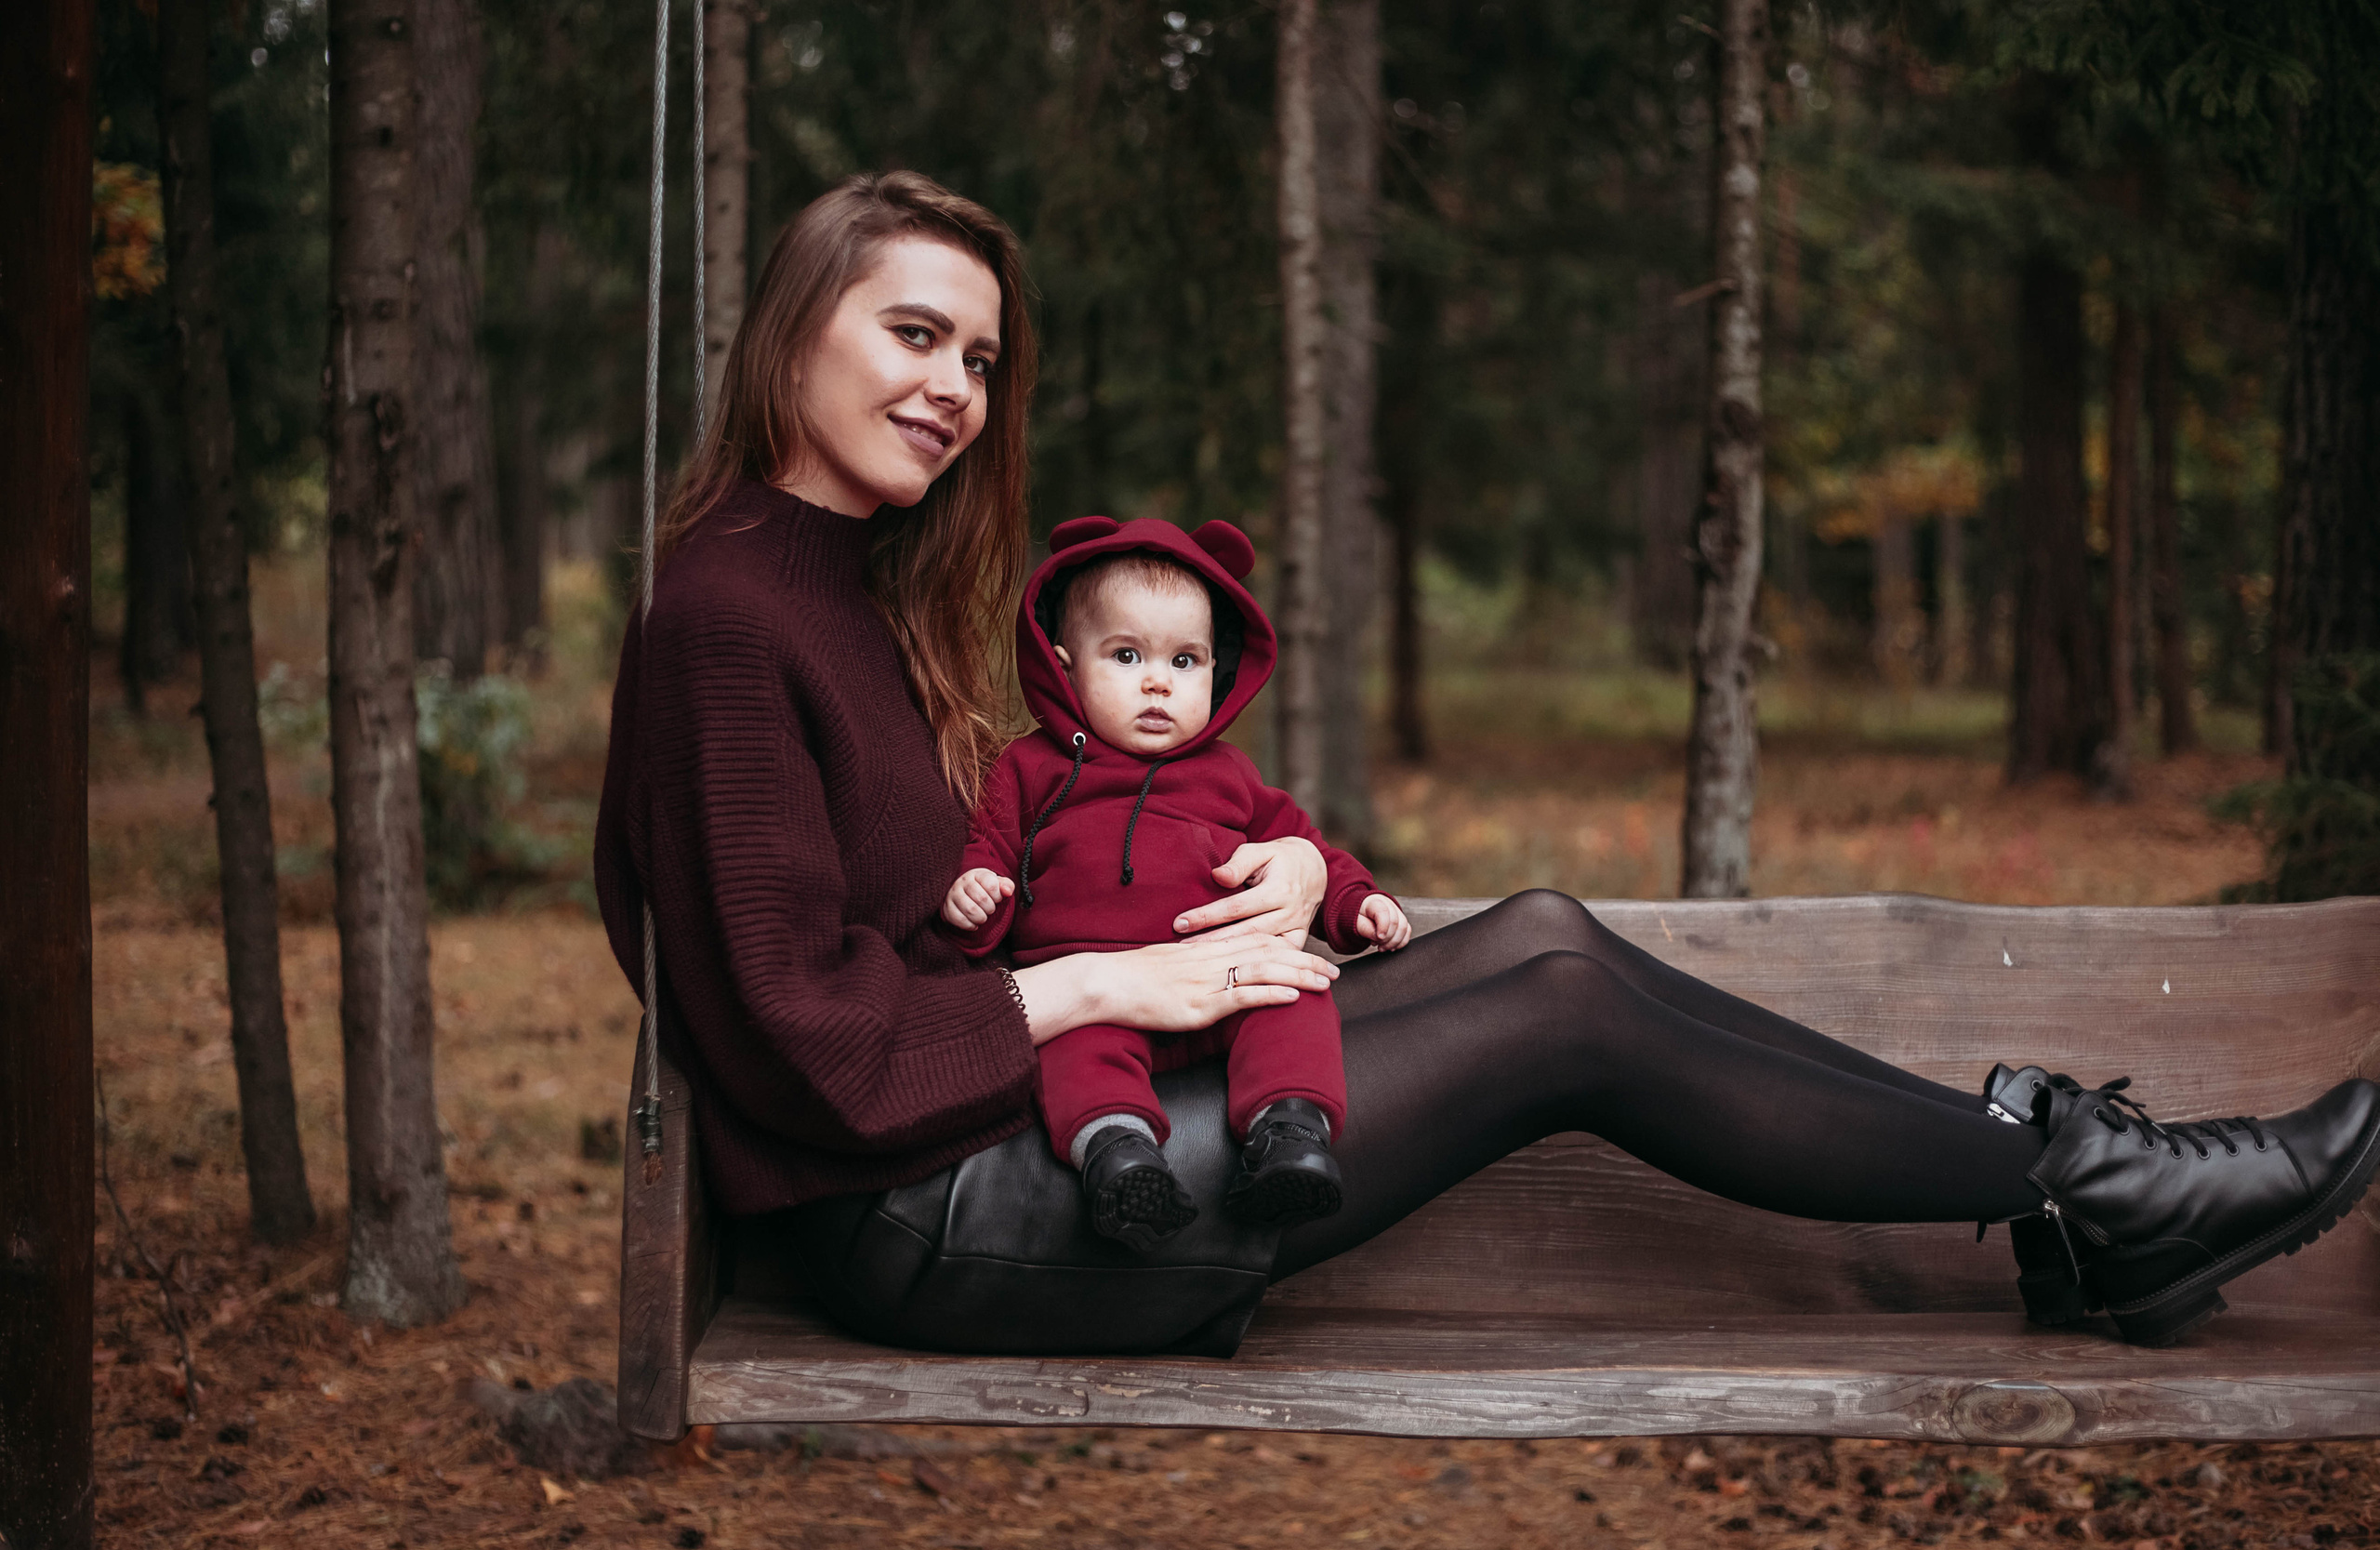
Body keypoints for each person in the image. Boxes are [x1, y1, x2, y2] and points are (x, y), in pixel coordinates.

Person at [595, 170, 2380, 1360]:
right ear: (796, 328)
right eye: (914, 336)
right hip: (946, 1213)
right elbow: (808, 1033)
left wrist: (1282, 875)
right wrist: (1129, 975)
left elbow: (989, 871)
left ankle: (2069, 1170)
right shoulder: (727, 617)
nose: (955, 389)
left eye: (979, 356)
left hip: (1017, 1120)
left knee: (1549, 936)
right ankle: (2098, 1186)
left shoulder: (859, 590)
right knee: (1560, 1014)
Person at [940, 514, 1412, 1252]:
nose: (1159, 681)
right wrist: (976, 895)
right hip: (1092, 995)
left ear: (1216, 673)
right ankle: (1119, 1154)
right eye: (1127, 655)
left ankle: (1288, 1129)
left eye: (1185, 661)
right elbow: (991, 854)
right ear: (1065, 667)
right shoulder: (1030, 769)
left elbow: (1304, 846)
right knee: (1071, 1052)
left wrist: (1358, 904)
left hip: (1224, 981)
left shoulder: (1228, 774)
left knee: (1294, 994)